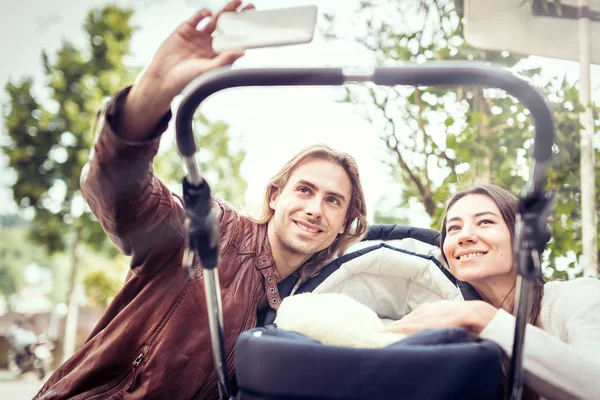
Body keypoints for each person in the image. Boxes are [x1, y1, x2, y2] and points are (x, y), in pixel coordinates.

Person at [33, 2, 368, 399]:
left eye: (333, 201)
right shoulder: (214, 230)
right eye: (305, 190)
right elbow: (120, 193)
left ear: (345, 224)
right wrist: (155, 88)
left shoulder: (319, 299)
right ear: (275, 196)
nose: (315, 209)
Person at [383, 184, 600, 400]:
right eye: (454, 228)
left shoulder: (579, 296)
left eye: (485, 222)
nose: (464, 236)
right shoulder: (459, 338)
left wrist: (481, 315)